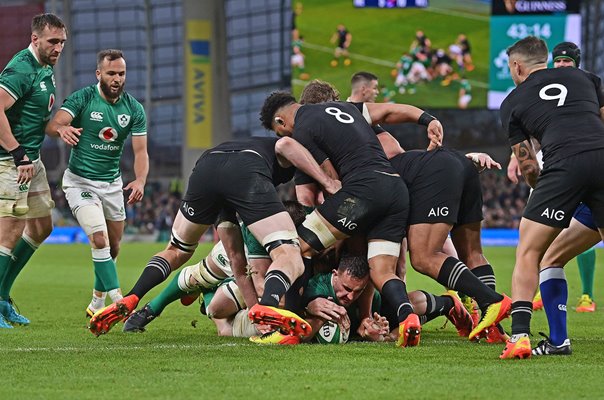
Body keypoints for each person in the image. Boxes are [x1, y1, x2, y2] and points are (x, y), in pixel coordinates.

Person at [88, 136, 340, 336]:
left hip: (206, 167)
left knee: (176, 250)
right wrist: (328, 183)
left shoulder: (241, 151)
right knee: (289, 255)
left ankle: (134, 295)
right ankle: (267, 303)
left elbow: (236, 259)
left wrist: (254, 308)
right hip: (245, 173)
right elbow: (286, 145)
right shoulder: (285, 142)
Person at [255, 90, 443, 347]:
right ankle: (407, 318)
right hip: (397, 190)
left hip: (363, 191)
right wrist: (428, 119)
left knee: (299, 248)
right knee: (382, 269)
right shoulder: (346, 108)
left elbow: (331, 179)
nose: (285, 136)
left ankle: (290, 322)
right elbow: (389, 110)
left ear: (280, 122)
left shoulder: (303, 129)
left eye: (281, 132)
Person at [499, 36, 604, 359]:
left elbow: (528, 164)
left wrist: (542, 189)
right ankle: (557, 342)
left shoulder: (513, 101)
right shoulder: (586, 78)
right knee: (552, 256)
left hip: (562, 166)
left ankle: (519, 336)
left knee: (530, 250)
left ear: (517, 66)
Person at [45, 49, 149, 317]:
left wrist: (139, 180)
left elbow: (140, 152)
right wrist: (62, 129)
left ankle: (96, 303)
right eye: (111, 73)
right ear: (99, 74)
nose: (117, 79)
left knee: (113, 247)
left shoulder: (134, 109)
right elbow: (54, 123)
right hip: (80, 182)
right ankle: (118, 300)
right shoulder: (84, 98)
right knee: (99, 239)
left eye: (121, 74)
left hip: (113, 185)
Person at [0, 13, 67, 328]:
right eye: (53, 41)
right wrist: (16, 153)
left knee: (41, 228)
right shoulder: (21, 68)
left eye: (62, 42)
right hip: (11, 160)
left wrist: (60, 130)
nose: (58, 48)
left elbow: (36, 116)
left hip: (32, 159)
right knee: (10, 232)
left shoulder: (46, 68)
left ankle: (2, 296)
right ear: (35, 39)